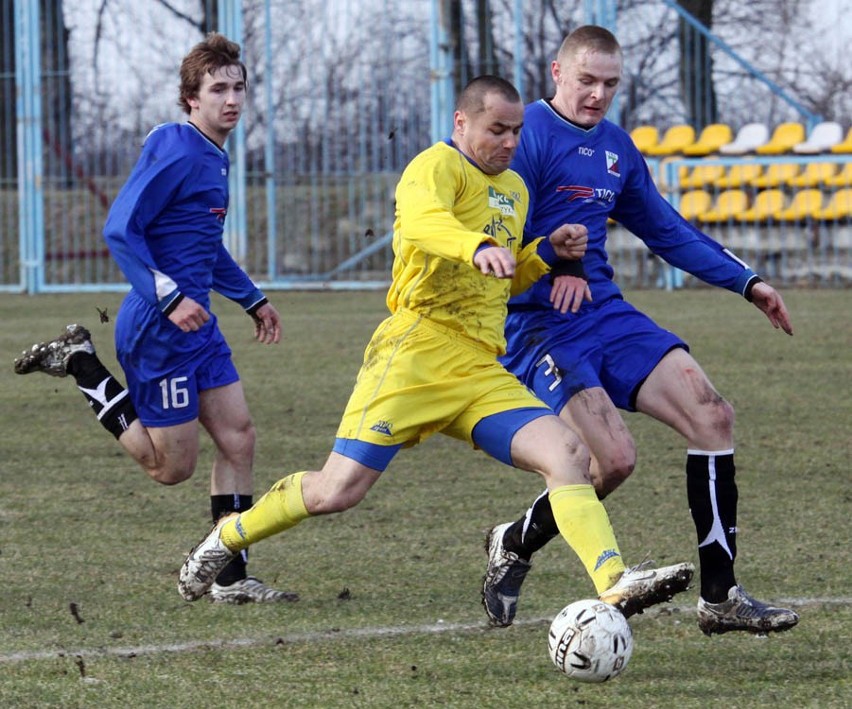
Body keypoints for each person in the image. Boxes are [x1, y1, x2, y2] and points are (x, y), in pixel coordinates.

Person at [177, 75, 694, 618]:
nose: (510, 142)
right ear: (461, 122)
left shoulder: (515, 190)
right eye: (497, 129)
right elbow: (426, 225)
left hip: (478, 366)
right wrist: (476, 246)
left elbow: (504, 278)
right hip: (415, 355)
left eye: (517, 131)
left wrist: (542, 253)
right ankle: (225, 537)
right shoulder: (434, 167)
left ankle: (613, 581)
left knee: (568, 454)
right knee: (337, 490)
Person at [481, 25, 800, 637]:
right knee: (614, 461)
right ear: (556, 73)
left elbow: (666, 229)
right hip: (537, 323)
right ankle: (515, 540)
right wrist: (551, 273)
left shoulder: (617, 148)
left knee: (713, 416)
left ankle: (720, 596)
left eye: (610, 84)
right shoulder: (525, 140)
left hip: (606, 314)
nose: (598, 95)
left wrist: (747, 282)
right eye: (586, 81)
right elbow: (491, 244)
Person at [14, 33, 296, 605]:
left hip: (199, 326)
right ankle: (83, 365)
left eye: (239, 87)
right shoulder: (176, 146)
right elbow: (120, 229)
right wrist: (170, 298)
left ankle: (231, 577)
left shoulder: (213, 156)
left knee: (239, 438)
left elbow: (204, 249)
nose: (232, 99)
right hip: (159, 329)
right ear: (190, 99)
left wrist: (251, 298)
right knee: (171, 469)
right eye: (218, 89)